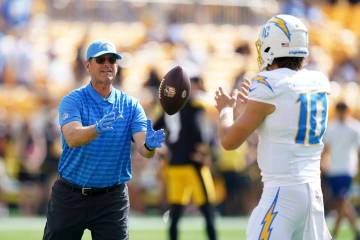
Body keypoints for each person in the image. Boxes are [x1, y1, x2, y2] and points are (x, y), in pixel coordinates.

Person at [214, 14, 332, 239]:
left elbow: (229, 141)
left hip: (282, 195)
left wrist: (225, 109)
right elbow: (281, 122)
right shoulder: (317, 82)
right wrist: (249, 108)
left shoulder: (268, 84)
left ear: (272, 46)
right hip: (313, 196)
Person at [42, 40, 165, 240]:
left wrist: (150, 145)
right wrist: (97, 128)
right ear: (88, 65)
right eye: (101, 59)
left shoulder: (131, 105)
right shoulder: (73, 100)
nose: (107, 64)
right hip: (71, 195)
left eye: (112, 60)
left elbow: (144, 148)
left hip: (112, 198)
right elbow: (72, 138)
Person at [155, 76, 217, 240]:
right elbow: (200, 132)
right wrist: (205, 152)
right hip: (193, 164)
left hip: (174, 165)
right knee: (207, 210)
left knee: (175, 213)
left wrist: (163, 148)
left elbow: (153, 130)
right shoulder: (195, 105)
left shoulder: (167, 108)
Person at [323, 101, 360, 240]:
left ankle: (336, 233)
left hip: (347, 169)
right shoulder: (331, 127)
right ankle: (354, 231)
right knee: (340, 202)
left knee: (342, 200)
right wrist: (323, 163)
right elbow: (326, 149)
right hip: (334, 169)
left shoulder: (355, 127)